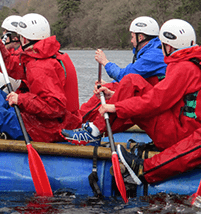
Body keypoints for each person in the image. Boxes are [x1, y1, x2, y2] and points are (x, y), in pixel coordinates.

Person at [63, 19, 201, 186]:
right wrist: (115, 95)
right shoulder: (190, 64)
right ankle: (94, 130)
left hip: (178, 137)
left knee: (130, 81)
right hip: (181, 129)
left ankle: (94, 131)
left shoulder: (183, 68)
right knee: (132, 82)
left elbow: (157, 101)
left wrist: (116, 106)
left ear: (169, 46)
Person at [63, 16, 167, 143]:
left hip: (157, 109)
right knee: (110, 87)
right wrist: (111, 88)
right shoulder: (153, 51)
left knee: (126, 82)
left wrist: (105, 62)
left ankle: (87, 128)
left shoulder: (153, 55)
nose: (131, 40)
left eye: (133, 36)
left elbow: (126, 76)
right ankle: (84, 125)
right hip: (154, 101)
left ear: (141, 37)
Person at [0, 13, 81, 143]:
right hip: (64, 123)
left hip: (52, 128)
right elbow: (9, 65)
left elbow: (55, 107)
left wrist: (20, 99)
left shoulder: (40, 66)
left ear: (24, 39)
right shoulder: (46, 55)